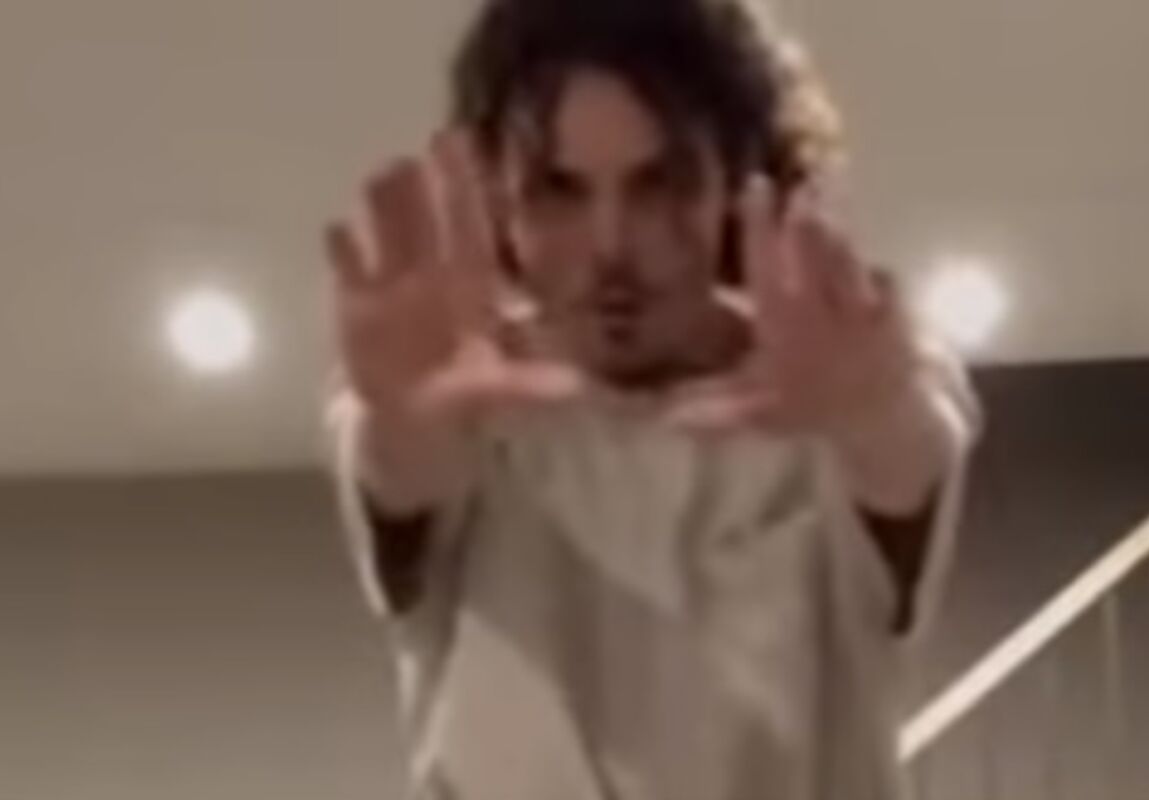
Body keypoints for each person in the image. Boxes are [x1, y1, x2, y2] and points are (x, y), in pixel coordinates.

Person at [324, 0, 980, 797]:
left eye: (661, 183)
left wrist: (875, 412)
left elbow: (908, 454)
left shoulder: (828, 379)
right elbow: (400, 468)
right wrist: (402, 425)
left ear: (737, 180)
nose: (611, 244)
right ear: (498, 197)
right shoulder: (458, 394)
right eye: (558, 189)